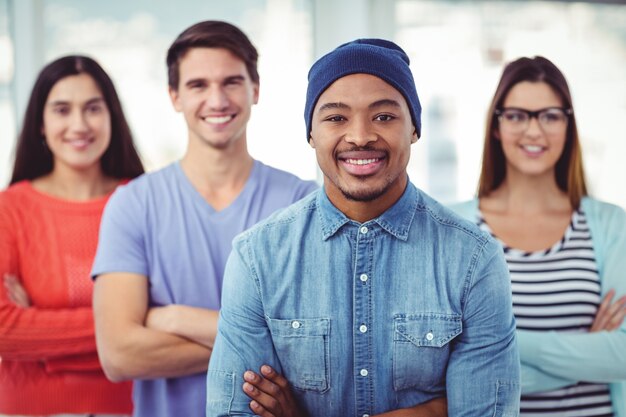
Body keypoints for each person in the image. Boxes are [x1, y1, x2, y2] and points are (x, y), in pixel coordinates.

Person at [206, 38, 521, 417]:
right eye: (336, 117)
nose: (359, 136)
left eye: (384, 116)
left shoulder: (473, 260)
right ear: (311, 134)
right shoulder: (257, 257)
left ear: (414, 129)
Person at [91, 20, 317, 417]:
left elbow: (313, 347)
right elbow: (119, 355)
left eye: (231, 82)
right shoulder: (132, 205)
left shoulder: (303, 203)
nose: (217, 100)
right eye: (198, 85)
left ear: (255, 90)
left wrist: (174, 318)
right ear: (174, 96)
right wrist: (262, 341)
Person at [450, 56, 626, 417]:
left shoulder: (610, 224)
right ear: (496, 126)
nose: (534, 131)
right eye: (517, 115)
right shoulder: (455, 226)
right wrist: (587, 350)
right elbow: (448, 375)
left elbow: (622, 356)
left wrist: (495, 346)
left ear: (568, 125)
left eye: (550, 115)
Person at [0, 55, 143, 416]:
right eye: (62, 110)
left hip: (131, 407)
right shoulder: (9, 209)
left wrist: (45, 339)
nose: (79, 124)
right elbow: (4, 329)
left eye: (93, 108)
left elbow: (177, 313)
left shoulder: (145, 201)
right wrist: (128, 325)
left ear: (112, 117)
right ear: (41, 125)